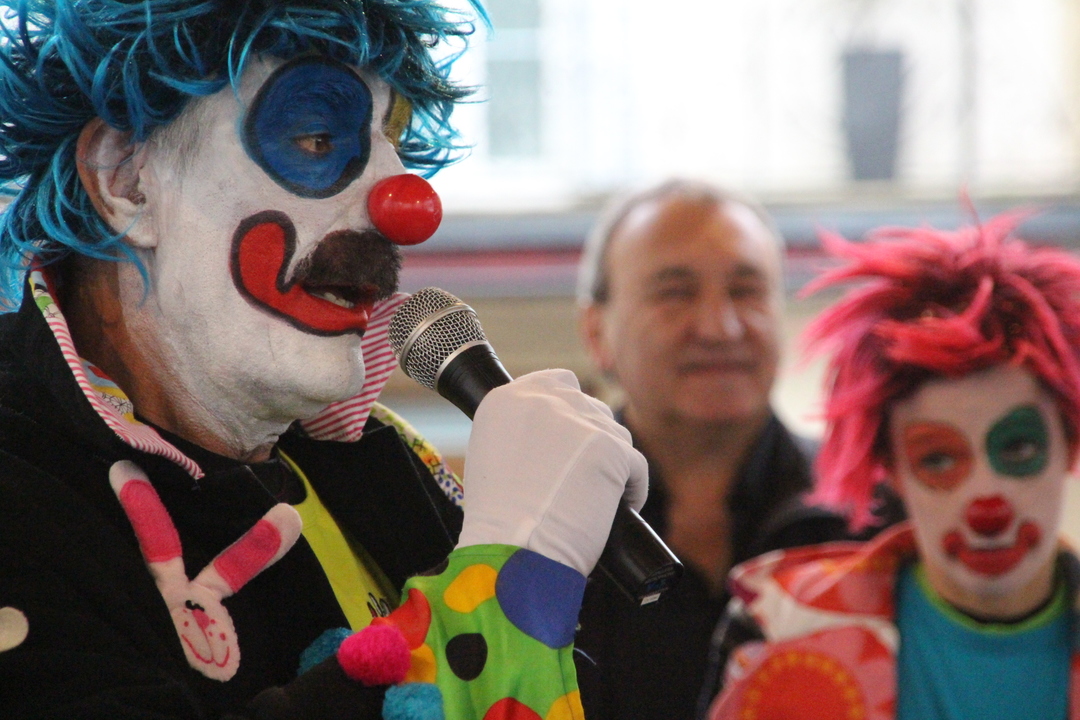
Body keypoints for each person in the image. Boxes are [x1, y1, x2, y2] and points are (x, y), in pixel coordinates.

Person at [0, 2, 648, 719]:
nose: (407, 207)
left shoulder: (368, 457)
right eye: (317, 138)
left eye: (392, 143)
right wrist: (502, 579)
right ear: (126, 180)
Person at [709, 213, 1080, 720]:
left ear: (1069, 444)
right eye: (938, 458)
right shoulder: (778, 628)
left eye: (1017, 449)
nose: (986, 500)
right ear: (893, 470)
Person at [574, 179, 851, 720]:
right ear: (596, 332)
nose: (719, 328)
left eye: (746, 291)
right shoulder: (545, 534)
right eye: (675, 293)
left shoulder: (870, 517)